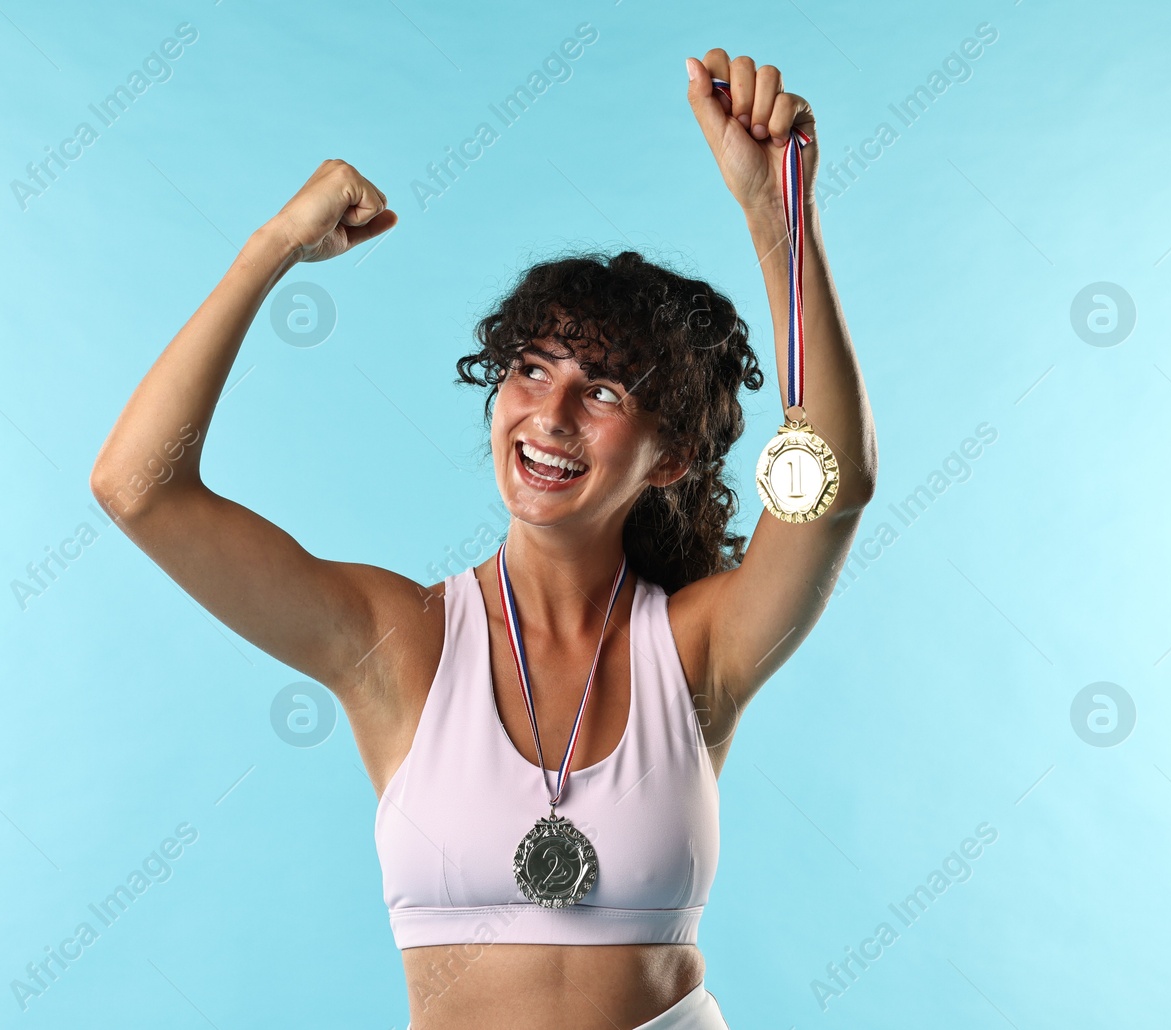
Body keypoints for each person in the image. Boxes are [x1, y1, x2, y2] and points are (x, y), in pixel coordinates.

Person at [90, 48, 876, 1030]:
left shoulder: (694, 648)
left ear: (670, 455)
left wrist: (778, 214)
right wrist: (273, 248)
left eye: (601, 390)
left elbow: (829, 487)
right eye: (530, 371)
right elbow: (138, 488)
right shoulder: (393, 638)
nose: (549, 415)